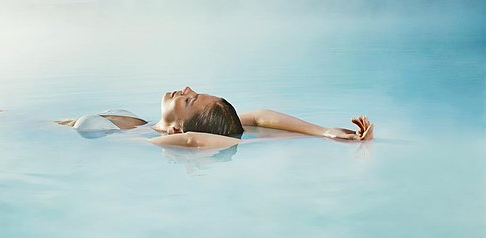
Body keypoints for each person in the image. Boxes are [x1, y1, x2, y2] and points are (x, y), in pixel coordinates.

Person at [58, 86, 374, 148]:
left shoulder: (153, 139)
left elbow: (202, 139)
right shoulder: (141, 124)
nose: (185, 88)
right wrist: (322, 131)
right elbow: (259, 118)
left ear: (177, 128)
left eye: (190, 100)